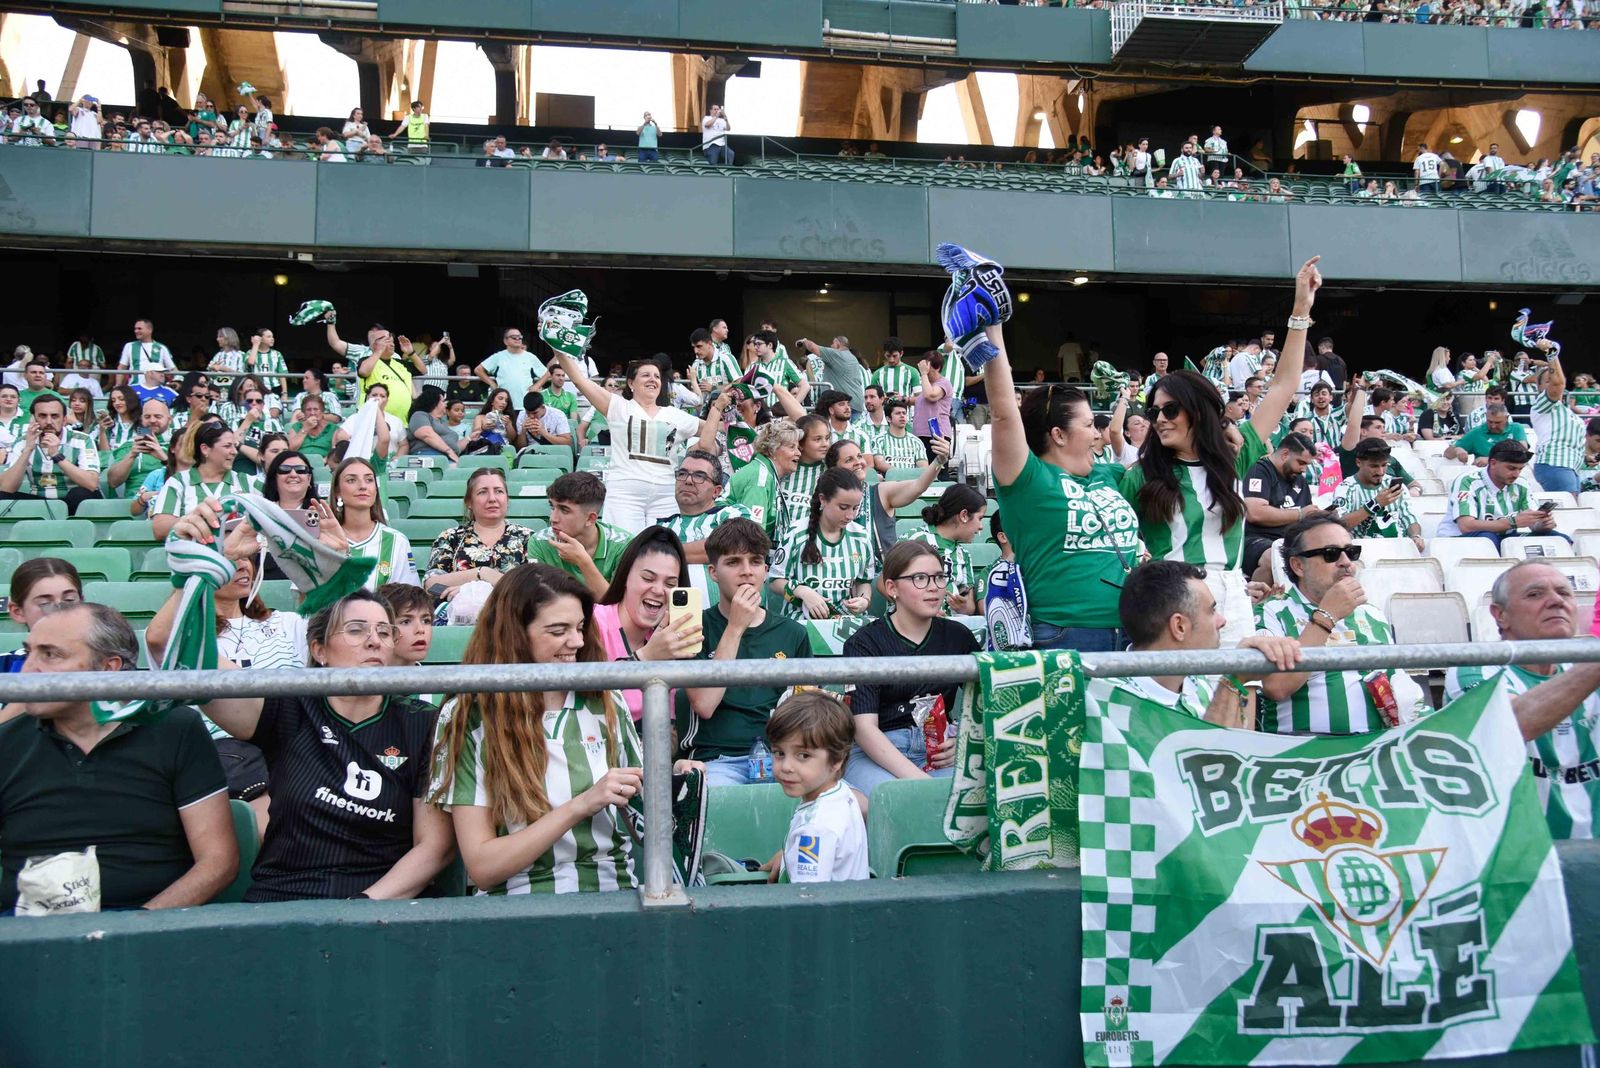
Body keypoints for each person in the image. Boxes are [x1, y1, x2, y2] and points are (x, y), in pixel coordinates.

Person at [189, 572, 453, 901]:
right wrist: (199, 570)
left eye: (384, 632)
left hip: (381, 907)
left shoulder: (423, 724)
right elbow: (185, 654)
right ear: (320, 649)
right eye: (356, 630)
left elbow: (434, 848)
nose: (374, 640)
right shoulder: (289, 707)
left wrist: (360, 907)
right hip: (285, 901)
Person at [1123, 257, 1318, 643]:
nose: (1159, 418)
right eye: (1154, 411)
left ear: (1198, 413)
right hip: (1171, 598)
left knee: (1238, 695)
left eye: (1170, 409)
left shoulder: (1234, 457)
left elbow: (1283, 386)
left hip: (1231, 595)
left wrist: (1300, 309)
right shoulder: (1140, 474)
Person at [0, 602, 236, 912]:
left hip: (148, 927)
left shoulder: (174, 729)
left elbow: (218, 862)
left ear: (108, 668)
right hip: (27, 933)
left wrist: (134, 930)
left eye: (50, 654)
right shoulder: (7, 741)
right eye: (29, 652)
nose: (28, 670)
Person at [431, 563, 651, 895]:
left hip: (612, 892)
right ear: (516, 633)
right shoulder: (468, 714)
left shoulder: (604, 698)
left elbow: (644, 823)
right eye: (558, 630)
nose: (576, 641)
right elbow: (483, 867)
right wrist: (581, 804)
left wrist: (670, 785)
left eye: (579, 626)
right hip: (517, 904)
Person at [1445, 562, 1600, 840]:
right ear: (1500, 614)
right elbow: (1513, 721)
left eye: (1565, 593)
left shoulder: (1588, 664)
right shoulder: (1473, 668)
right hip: (1519, 861)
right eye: (1535, 594)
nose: (1555, 601)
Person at [675, 519, 812, 785]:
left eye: (755, 561)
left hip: (781, 759)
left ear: (765, 569)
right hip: (716, 760)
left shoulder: (793, 633)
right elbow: (704, 705)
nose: (746, 571)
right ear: (713, 572)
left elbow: (806, 711)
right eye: (734, 562)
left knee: (853, 802)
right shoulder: (693, 628)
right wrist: (736, 627)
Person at [1089, 560, 1303, 728]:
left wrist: (1236, 681)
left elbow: (1231, 762)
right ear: (1179, 626)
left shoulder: (1198, 684)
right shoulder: (1111, 705)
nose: (1222, 620)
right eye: (1212, 610)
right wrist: (1234, 680)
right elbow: (1201, 768)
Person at [840, 541, 978, 794]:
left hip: (939, 749)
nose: (934, 588)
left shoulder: (959, 637)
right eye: (920, 578)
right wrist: (920, 785)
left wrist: (965, 741)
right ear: (892, 588)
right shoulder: (864, 643)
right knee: (898, 801)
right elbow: (864, 728)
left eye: (939, 578)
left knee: (976, 796)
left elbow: (986, 706)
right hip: (878, 753)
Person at [551, 351, 729, 533]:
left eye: (657, 376)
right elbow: (580, 380)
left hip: (665, 492)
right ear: (630, 383)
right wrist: (558, 349)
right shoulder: (618, 406)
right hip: (625, 492)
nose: (653, 379)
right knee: (626, 548)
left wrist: (734, 414)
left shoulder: (674, 414)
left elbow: (713, 430)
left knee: (663, 549)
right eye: (646, 375)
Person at [1257, 514, 1397, 735]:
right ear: (1298, 566)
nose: (1346, 562)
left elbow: (1396, 685)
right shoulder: (1271, 611)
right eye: (1331, 554)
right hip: (1303, 756)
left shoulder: (1373, 614)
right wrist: (1327, 615)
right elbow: (1276, 686)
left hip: (1374, 751)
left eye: (1351, 552)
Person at [762, 692, 868, 884]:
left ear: (837, 760)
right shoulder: (842, 793)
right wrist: (789, 856)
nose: (786, 766)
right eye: (779, 753)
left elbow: (808, 899)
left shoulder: (814, 828)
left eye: (803, 755)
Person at [769, 468, 875, 621]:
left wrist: (864, 601)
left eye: (855, 508)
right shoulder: (796, 533)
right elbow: (774, 581)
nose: (850, 516)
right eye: (843, 507)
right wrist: (803, 592)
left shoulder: (861, 536)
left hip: (846, 622)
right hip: (801, 621)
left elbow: (863, 582)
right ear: (823, 500)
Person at [825, 435, 950, 564]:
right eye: (849, 460)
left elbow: (918, 486)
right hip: (842, 571)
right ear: (834, 469)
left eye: (859, 456)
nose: (858, 462)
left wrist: (939, 461)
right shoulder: (826, 500)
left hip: (883, 576)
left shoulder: (880, 492)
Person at [425, 468, 535, 602]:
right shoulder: (451, 537)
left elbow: (536, 588)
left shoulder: (527, 537)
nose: (492, 499)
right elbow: (430, 586)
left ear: (507, 498)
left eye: (499, 491)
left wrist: (475, 590)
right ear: (469, 502)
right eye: (482, 492)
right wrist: (481, 573)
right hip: (461, 618)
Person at [656, 450, 753, 592]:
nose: (688, 481)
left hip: (728, 613)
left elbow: (733, 547)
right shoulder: (661, 525)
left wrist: (664, 551)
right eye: (682, 474)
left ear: (716, 491)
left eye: (699, 476)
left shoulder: (733, 513)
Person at [1436, 439, 1561, 548]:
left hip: (1502, 537)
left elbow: (1533, 525)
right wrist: (1513, 522)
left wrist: (1543, 524)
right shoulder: (1468, 481)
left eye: (1520, 469)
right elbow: (1466, 526)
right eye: (1511, 468)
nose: (1516, 474)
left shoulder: (1521, 484)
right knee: (1487, 538)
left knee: (1558, 539)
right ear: (1493, 463)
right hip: (1457, 540)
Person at [0, 393, 102, 516]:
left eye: (55, 416)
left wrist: (57, 455)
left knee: (80, 494)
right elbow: (7, 488)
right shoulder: (23, 442)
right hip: (39, 501)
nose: (49, 421)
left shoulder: (82, 440)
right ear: (33, 419)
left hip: (73, 500)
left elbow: (91, 483)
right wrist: (27, 449)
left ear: (64, 420)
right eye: (42, 416)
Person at [149, 422, 251, 539]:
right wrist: (192, 519)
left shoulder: (247, 481)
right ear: (205, 449)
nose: (234, 452)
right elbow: (159, 529)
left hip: (236, 555)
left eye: (234, 446)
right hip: (191, 554)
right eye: (227, 446)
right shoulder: (179, 481)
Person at [330, 456, 419, 589]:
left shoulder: (397, 541)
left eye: (369, 480)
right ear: (338, 492)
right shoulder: (323, 539)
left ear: (376, 490)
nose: (362, 486)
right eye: (351, 480)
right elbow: (305, 599)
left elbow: (409, 599)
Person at [904, 483, 986, 615]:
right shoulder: (915, 538)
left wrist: (962, 606)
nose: (981, 527)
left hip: (948, 626)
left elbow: (969, 607)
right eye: (980, 518)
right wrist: (921, 611)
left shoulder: (964, 555)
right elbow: (884, 583)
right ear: (964, 515)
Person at [1242, 432, 1316, 578]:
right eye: (1301, 463)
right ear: (1285, 454)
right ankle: (1261, 600)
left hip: (1291, 541)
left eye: (1306, 465)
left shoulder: (1299, 480)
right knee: (1276, 559)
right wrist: (1300, 514)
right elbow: (1254, 513)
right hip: (1255, 539)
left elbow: (1306, 517)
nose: (1303, 469)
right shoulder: (1259, 470)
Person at [1331, 438, 1426, 551]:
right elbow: (1339, 524)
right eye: (1374, 466)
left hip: (1398, 549)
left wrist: (1416, 536)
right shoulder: (1345, 488)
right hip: (1364, 552)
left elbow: (1409, 517)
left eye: (1384, 465)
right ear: (1358, 462)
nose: (1380, 472)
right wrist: (1375, 504)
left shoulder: (1394, 485)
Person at [327, 319, 422, 423]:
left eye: (377, 331)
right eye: (371, 331)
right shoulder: (361, 351)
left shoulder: (395, 356)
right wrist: (331, 323)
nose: (373, 333)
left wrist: (414, 397)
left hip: (399, 417)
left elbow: (405, 377)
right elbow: (335, 343)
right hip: (369, 411)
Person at [0, 558, 83, 672]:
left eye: (69, 600)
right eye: (44, 603)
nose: (59, 610)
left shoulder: (106, 662)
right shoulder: (3, 666)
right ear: (17, 612)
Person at [726, 418, 802, 538]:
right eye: (792, 447)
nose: (799, 453)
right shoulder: (760, 477)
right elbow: (752, 535)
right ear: (773, 450)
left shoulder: (765, 472)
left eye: (798, 448)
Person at [1529, 345, 1587, 494]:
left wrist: (1586, 458)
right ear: (1539, 387)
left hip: (1570, 467)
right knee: (1569, 511)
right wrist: (1551, 354)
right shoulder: (1541, 404)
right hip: (1554, 464)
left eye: (1553, 379)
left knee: (1572, 511)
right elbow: (1558, 384)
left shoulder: (1567, 412)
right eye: (1548, 381)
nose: (1553, 383)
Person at [474, 328, 545, 410]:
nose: (517, 339)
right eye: (514, 337)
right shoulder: (498, 356)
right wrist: (492, 383)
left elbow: (547, 373)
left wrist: (537, 385)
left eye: (519, 337)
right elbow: (478, 370)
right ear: (505, 341)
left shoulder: (530, 357)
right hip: (504, 405)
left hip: (525, 405)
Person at [1444, 403, 1529, 465]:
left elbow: (1522, 453)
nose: (1493, 426)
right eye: (1490, 421)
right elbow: (1447, 454)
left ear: (1507, 418)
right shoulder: (1477, 432)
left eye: (1497, 422)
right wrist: (1457, 450)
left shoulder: (1516, 428)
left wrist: (1490, 460)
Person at [406, 385, 462, 463]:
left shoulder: (442, 422)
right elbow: (427, 434)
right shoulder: (419, 415)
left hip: (446, 458)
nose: (445, 404)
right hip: (428, 456)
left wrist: (469, 438)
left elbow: (454, 445)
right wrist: (449, 451)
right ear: (434, 402)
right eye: (442, 401)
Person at [116, 317, 176, 387]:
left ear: (150, 330)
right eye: (135, 329)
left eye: (139, 328)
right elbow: (121, 367)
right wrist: (118, 385)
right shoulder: (129, 346)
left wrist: (178, 382)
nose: (136, 331)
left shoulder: (162, 348)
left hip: (157, 388)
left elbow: (173, 369)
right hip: (135, 387)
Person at [875, 397, 928, 472]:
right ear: (888, 419)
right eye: (898, 413)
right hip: (887, 482)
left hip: (912, 482)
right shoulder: (879, 440)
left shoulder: (916, 442)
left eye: (904, 413)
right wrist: (901, 474)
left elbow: (923, 467)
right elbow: (879, 464)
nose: (902, 416)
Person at [287, 395, 336, 461]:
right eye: (308, 410)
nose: (312, 413)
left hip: (324, 464)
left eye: (316, 409)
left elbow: (335, 453)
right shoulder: (296, 427)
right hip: (299, 463)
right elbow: (290, 449)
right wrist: (305, 428)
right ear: (304, 412)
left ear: (322, 411)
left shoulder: (333, 429)